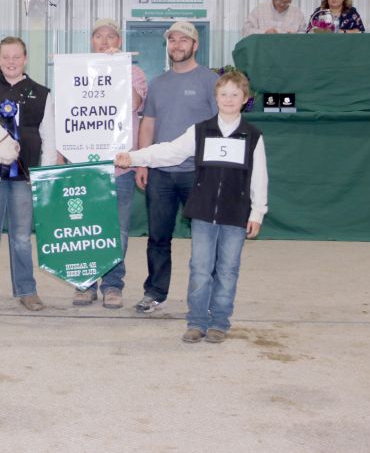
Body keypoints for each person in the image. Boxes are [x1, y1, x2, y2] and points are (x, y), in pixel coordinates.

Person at [115, 70, 268, 344]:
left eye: (235, 94)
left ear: (245, 99)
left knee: (228, 270)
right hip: (203, 212)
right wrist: (134, 157)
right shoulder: (201, 131)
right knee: (200, 268)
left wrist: (257, 211)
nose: (228, 99)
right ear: (215, 97)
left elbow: (259, 176)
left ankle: (219, 321)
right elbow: (170, 151)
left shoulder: (253, 136)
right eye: (223, 94)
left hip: (235, 214)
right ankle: (196, 321)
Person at [133, 21, 218, 314]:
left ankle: (205, 298)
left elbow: (221, 125)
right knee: (158, 237)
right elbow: (148, 124)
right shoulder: (158, 83)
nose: (177, 45)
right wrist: (142, 162)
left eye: (184, 40)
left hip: (199, 173)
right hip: (160, 175)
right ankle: (155, 293)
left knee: (205, 239)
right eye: (173, 40)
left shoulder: (210, 81)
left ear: (195, 45)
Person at [0, 36, 58, 313]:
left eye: (16, 57)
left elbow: (49, 136)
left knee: (21, 237)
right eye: (6, 57)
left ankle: (26, 291)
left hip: (25, 178)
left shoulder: (42, 94)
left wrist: (45, 174)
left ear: (25, 59)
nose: (11, 62)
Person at [71, 18, 148, 309]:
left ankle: (113, 284)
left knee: (118, 231)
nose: (104, 42)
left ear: (120, 41)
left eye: (111, 36)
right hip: (86, 165)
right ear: (91, 41)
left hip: (120, 166)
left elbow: (134, 103)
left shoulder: (134, 72)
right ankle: (85, 283)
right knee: (85, 227)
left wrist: (117, 69)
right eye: (99, 36)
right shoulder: (77, 70)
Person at [240, 0, 306, 37]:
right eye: (280, 0)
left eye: (286, 2)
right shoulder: (260, 9)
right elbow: (245, 30)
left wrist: (294, 36)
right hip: (264, 47)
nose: (282, 4)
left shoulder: (297, 14)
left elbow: (305, 34)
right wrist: (264, 32)